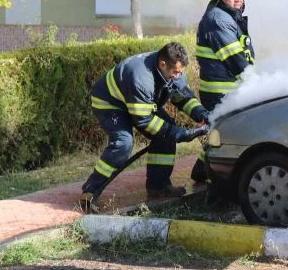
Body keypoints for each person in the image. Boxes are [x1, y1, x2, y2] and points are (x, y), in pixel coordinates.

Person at [79, 42, 210, 213]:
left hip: (139, 103)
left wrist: (202, 114)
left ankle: (159, 186)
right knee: (123, 144)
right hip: (111, 103)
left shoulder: (171, 70)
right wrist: (178, 133)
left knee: (166, 134)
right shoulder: (141, 77)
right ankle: (90, 191)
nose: (178, 76)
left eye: (180, 72)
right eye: (175, 72)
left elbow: (182, 97)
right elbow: (144, 120)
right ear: (163, 64)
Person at [190, 0, 256, 202]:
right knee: (223, 137)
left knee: (214, 133)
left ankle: (200, 169)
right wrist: (255, 82)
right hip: (220, 91)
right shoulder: (218, 20)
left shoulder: (227, 16)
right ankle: (216, 193)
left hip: (225, 89)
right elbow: (235, 60)